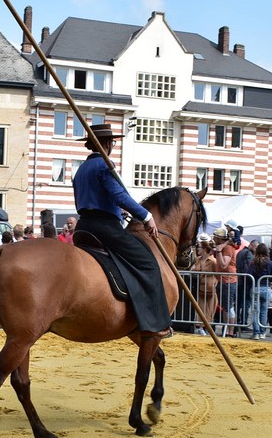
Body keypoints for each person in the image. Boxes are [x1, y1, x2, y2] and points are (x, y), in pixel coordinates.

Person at [72, 123, 171, 339]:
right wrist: (146, 215)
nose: (113, 146)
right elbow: (120, 196)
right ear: (107, 143)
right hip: (104, 227)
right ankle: (153, 323)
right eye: (113, 143)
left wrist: (117, 212)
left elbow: (96, 199)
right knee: (148, 263)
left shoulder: (80, 169)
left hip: (84, 226)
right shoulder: (105, 165)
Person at [248, 244, 272, 339]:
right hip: (266, 288)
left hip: (256, 287)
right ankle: (263, 332)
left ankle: (256, 333)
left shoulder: (253, 262)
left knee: (255, 311)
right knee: (264, 311)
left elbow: (249, 274)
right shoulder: (270, 263)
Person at [192, 234, 218, 336]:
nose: (198, 249)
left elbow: (217, 274)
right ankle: (200, 327)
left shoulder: (213, 261)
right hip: (200, 288)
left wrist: (214, 283)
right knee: (200, 309)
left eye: (199, 247)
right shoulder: (198, 259)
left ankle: (207, 328)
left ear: (204, 249)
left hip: (210, 289)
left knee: (209, 310)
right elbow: (193, 269)